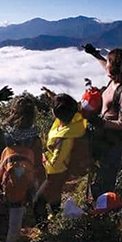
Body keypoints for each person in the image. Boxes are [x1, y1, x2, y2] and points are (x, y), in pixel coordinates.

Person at [0, 86, 45, 242]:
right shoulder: (35, 140)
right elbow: (37, 166)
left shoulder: (1, 135)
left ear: (13, 113)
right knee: (16, 218)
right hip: (23, 184)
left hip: (0, 180)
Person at [82, 44, 122, 200]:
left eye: (110, 62)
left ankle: (103, 213)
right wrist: (94, 54)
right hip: (101, 138)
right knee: (95, 175)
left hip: (112, 143)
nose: (107, 65)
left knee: (105, 180)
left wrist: (99, 122)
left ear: (116, 67)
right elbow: (104, 65)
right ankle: (92, 205)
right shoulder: (113, 81)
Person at [32, 91, 91, 225]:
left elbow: (57, 163)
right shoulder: (75, 119)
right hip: (62, 168)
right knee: (54, 195)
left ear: (58, 113)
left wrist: (46, 160)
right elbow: (68, 105)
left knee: (38, 202)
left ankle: (44, 231)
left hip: (57, 173)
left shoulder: (65, 137)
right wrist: (51, 96)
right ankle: (58, 218)